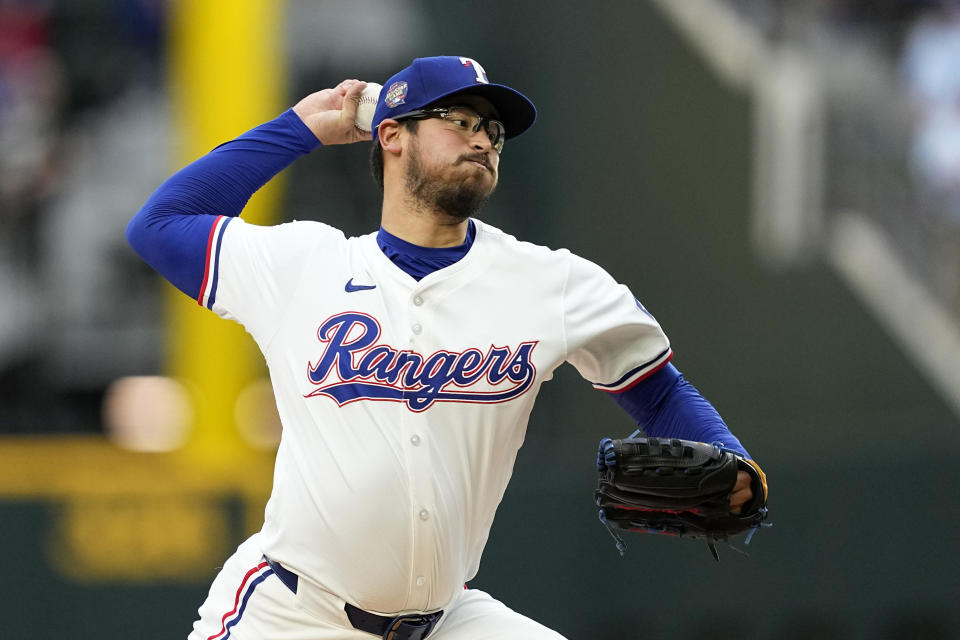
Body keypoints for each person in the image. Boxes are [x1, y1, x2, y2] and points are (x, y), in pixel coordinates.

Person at [127, 55, 761, 640]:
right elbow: (159, 224)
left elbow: (656, 390)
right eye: (459, 120)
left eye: (493, 129)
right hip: (293, 614)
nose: (483, 138)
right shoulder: (304, 265)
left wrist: (733, 462)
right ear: (393, 134)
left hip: (445, 622)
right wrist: (300, 128)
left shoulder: (549, 283)